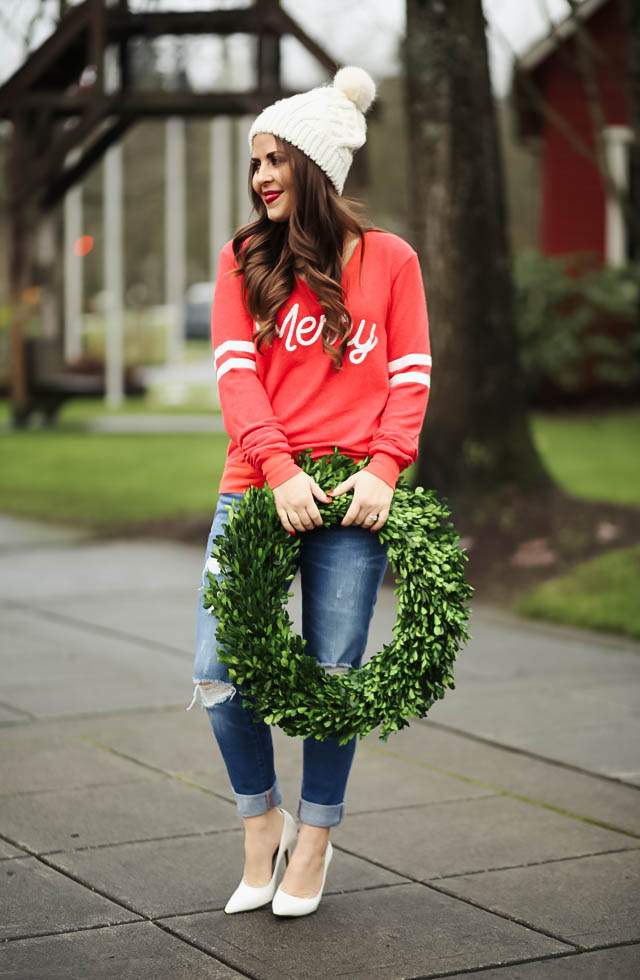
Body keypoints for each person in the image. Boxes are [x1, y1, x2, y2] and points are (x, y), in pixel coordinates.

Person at [190, 66, 431, 918]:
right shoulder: (242, 257)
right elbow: (234, 374)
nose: (259, 179)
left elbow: (410, 377)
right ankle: (262, 821)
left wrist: (385, 469)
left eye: (274, 161)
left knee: (334, 674)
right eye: (255, 163)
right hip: (257, 486)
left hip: (355, 498)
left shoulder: (392, 261)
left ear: (316, 166)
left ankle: (317, 840)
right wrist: (279, 470)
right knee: (219, 678)